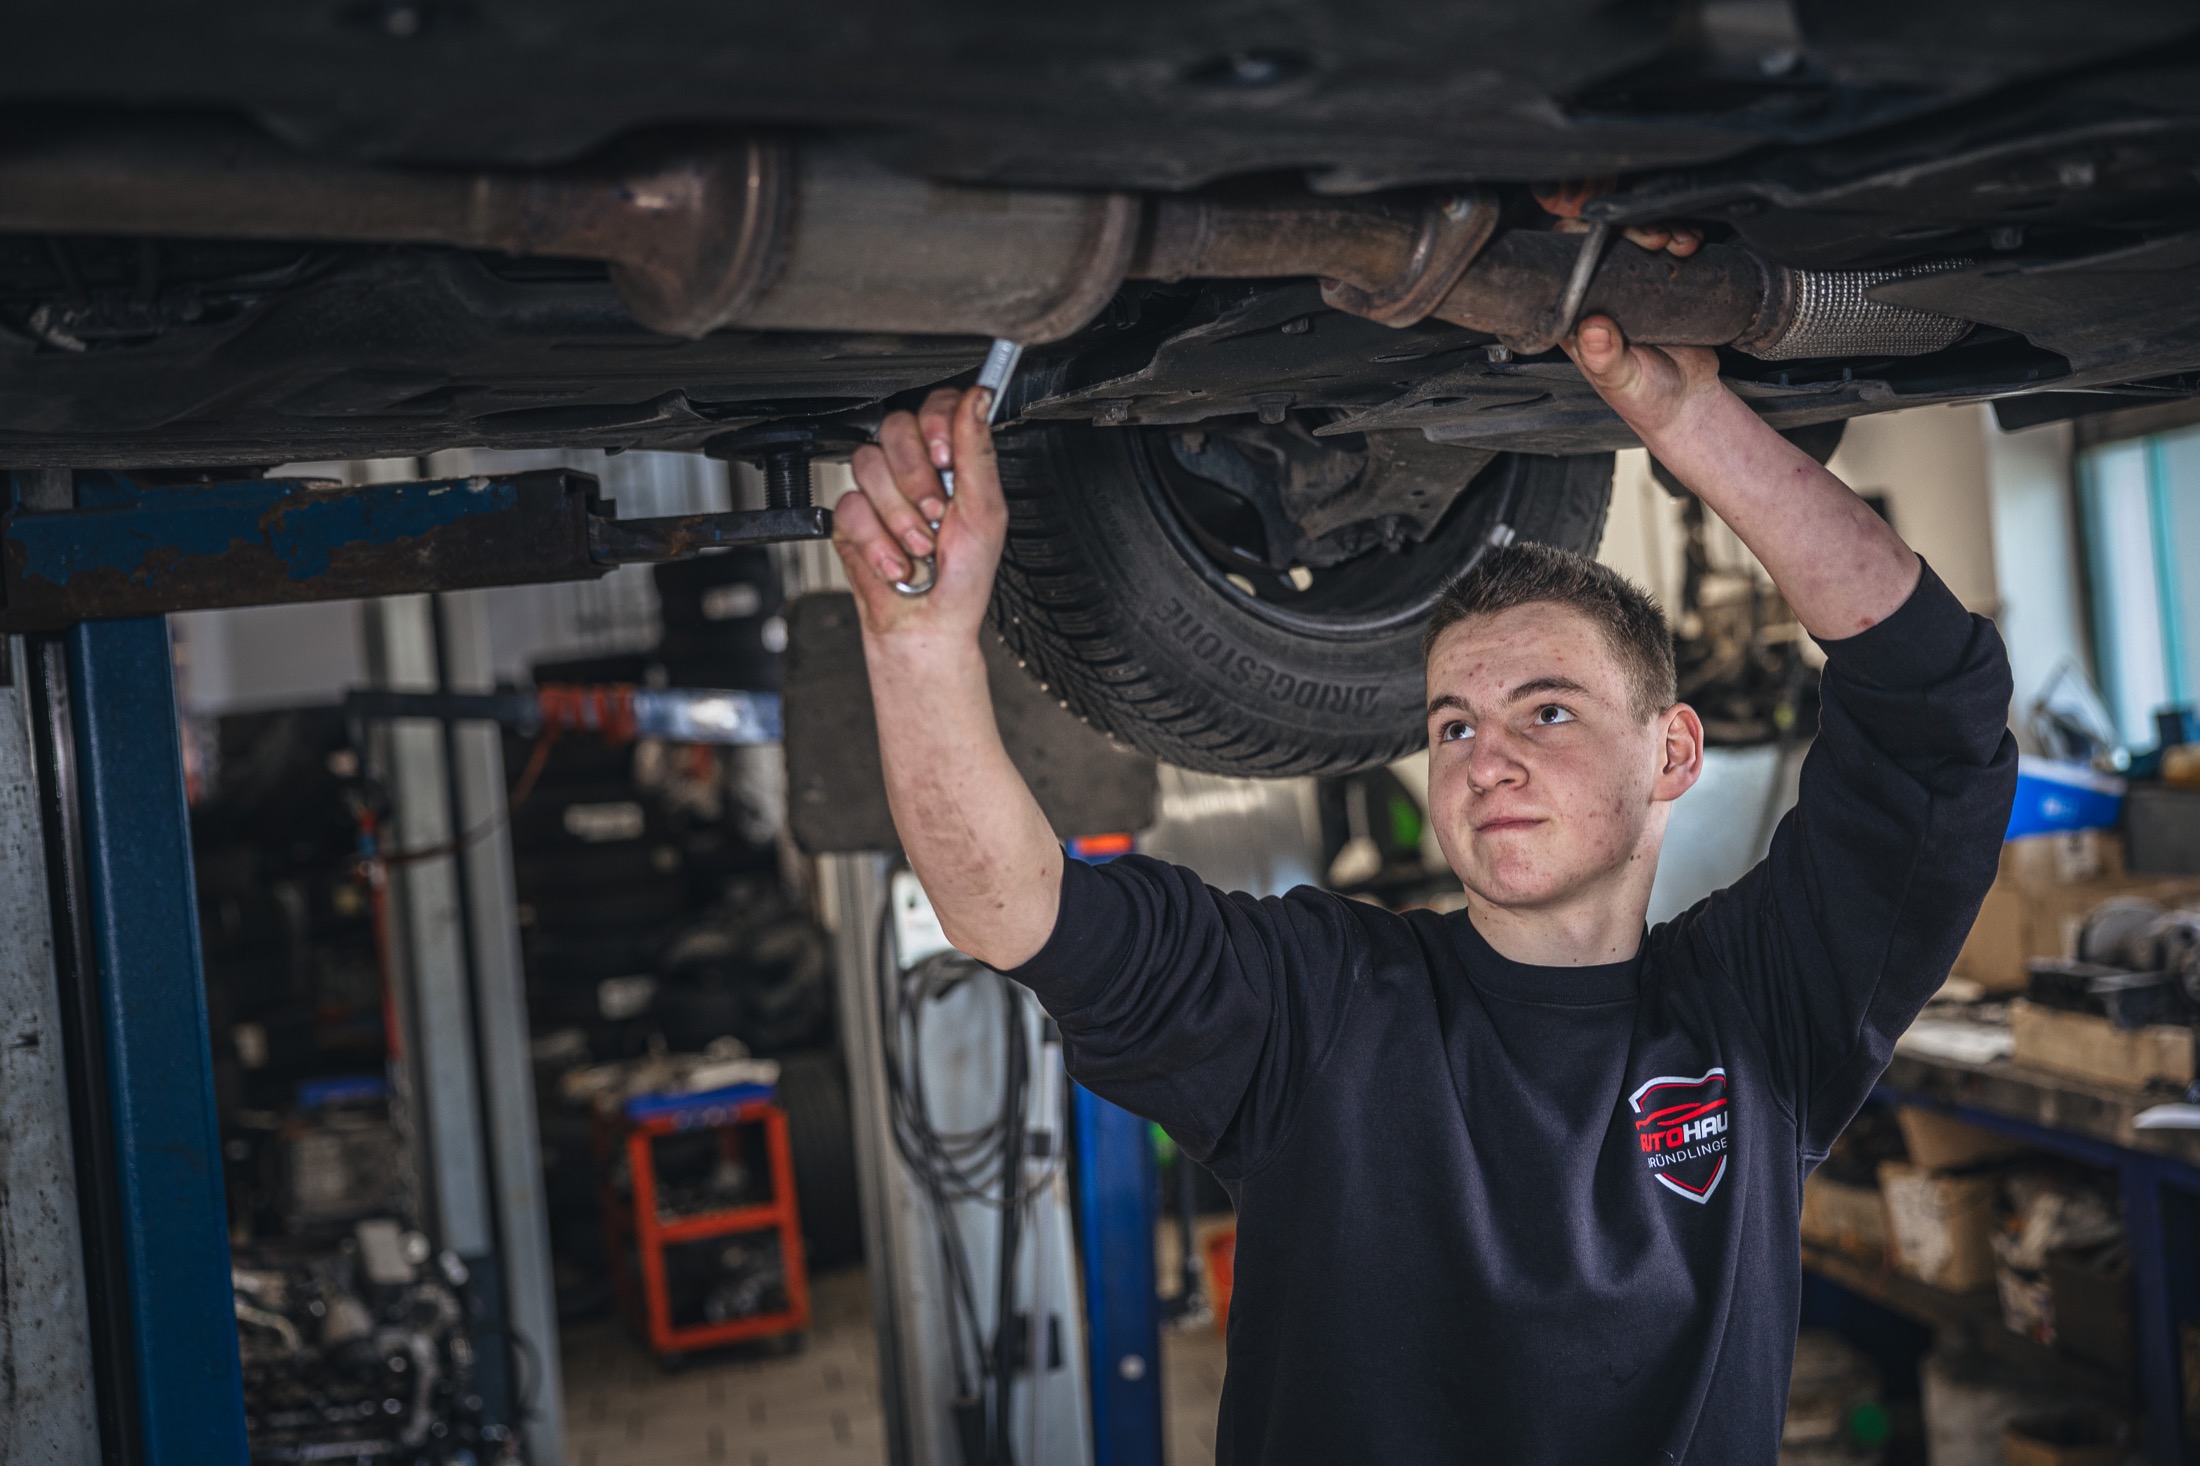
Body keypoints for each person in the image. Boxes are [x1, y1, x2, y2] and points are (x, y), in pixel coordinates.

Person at [831, 313, 2016, 1464]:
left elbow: (1935, 706)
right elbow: (1020, 910)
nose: (1485, 758)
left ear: (1671, 754)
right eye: (1454, 724)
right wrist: (920, 653)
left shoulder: (1759, 1009)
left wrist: (1695, 422)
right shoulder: (1323, 1003)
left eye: (1546, 710)